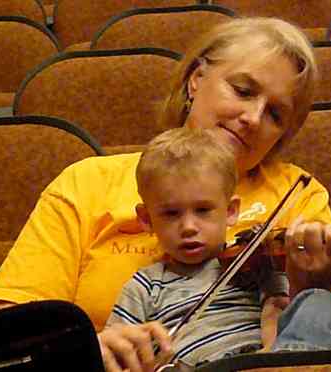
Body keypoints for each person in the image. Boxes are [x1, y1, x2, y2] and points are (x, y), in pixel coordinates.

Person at [0, 17, 331, 372]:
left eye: (276, 115)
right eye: (243, 90)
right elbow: (15, 336)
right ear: (196, 79)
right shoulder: (87, 181)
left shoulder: (297, 192)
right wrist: (90, 349)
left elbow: (324, 334)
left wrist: (308, 282)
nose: (252, 118)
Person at [108, 126, 291, 369]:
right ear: (146, 219)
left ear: (231, 211)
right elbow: (115, 354)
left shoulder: (255, 265)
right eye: (171, 214)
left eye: (203, 210)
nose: (188, 227)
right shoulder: (145, 287)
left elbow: (284, 319)